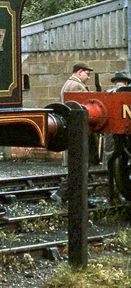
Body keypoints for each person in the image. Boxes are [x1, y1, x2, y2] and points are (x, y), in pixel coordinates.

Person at [53, 62, 93, 203]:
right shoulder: (76, 86)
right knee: (81, 165)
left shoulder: (67, 84)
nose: (88, 77)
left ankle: (71, 195)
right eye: (87, 74)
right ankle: (63, 194)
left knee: (78, 164)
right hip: (79, 131)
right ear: (80, 71)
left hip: (71, 130)